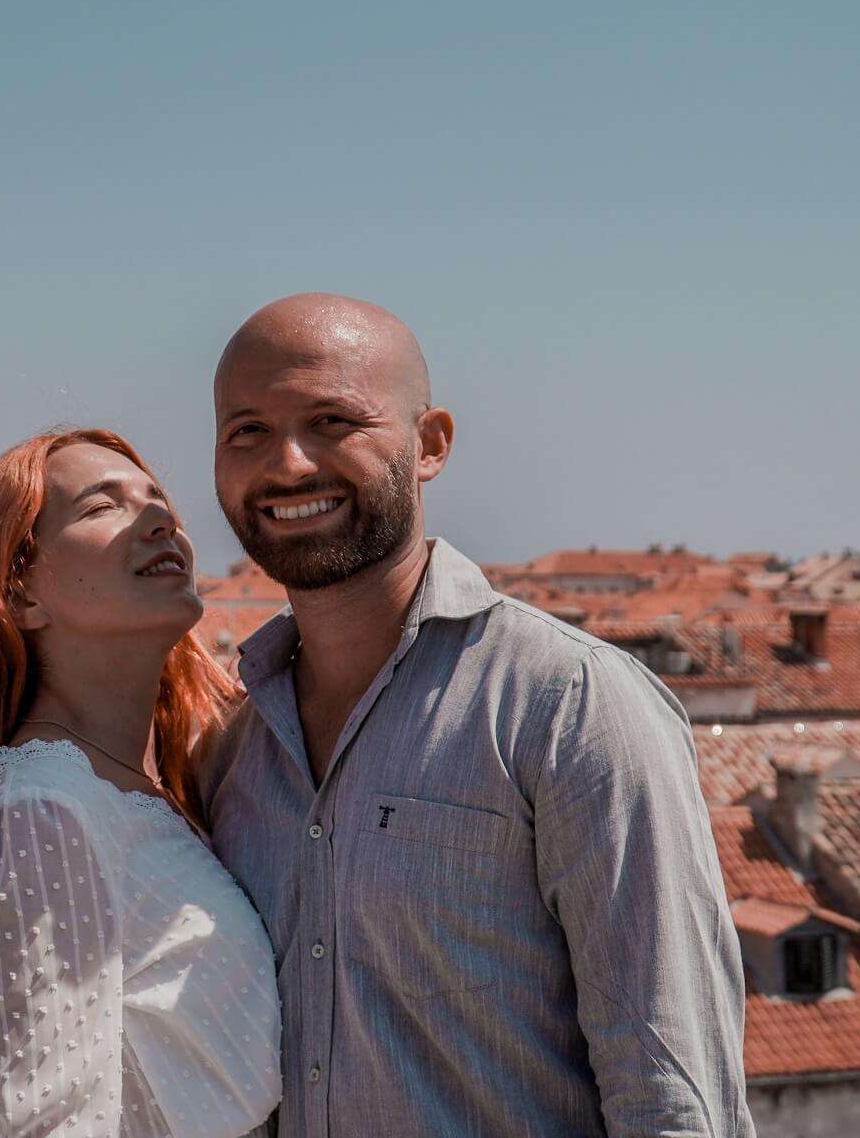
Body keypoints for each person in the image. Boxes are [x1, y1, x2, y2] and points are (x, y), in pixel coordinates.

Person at [199, 294, 752, 1137]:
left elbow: (672, 1094)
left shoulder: (570, 706)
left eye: (332, 420)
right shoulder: (234, 752)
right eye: (247, 431)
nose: (289, 463)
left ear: (430, 445)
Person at [0, 429, 283, 1138]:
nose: (161, 520)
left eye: (157, 500)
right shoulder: (41, 811)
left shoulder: (131, 788)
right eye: (102, 506)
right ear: (19, 592)